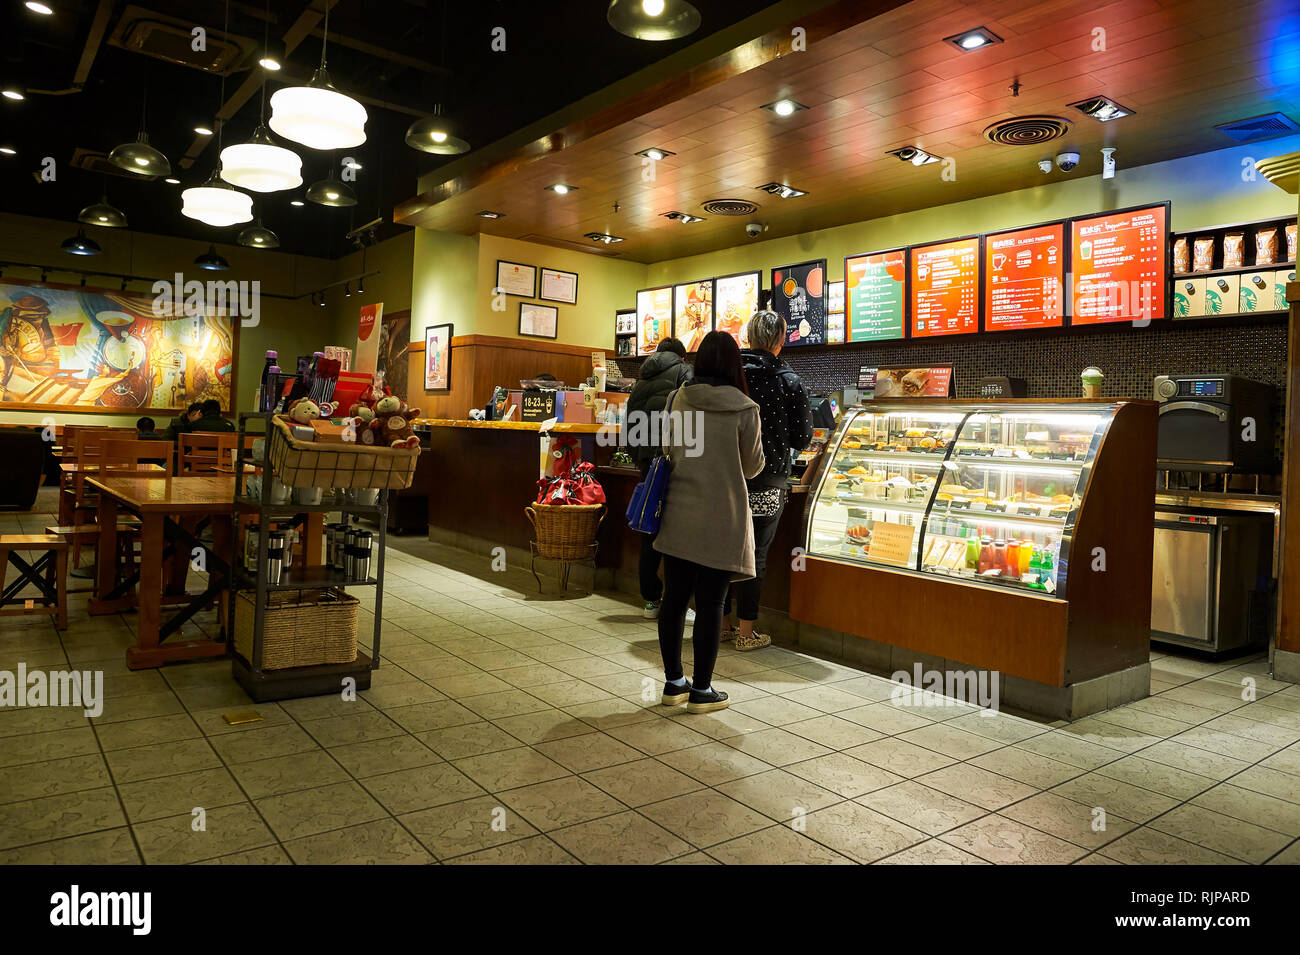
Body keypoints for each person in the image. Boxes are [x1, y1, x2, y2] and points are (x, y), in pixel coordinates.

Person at [653, 331, 764, 714]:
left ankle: (673, 683)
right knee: (712, 603)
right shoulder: (746, 408)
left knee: (674, 600)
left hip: (680, 512)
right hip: (724, 516)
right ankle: (702, 691)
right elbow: (752, 467)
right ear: (735, 364)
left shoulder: (678, 399)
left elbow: (668, 449)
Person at [725, 310, 814, 651]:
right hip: (768, 477)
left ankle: (723, 624)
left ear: (748, 337)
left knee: (724, 549)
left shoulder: (731, 375)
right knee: (755, 554)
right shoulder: (788, 380)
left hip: (728, 474)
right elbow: (804, 439)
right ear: (780, 340)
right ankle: (747, 632)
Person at [625, 336, 692, 619]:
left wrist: (639, 456)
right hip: (674, 461)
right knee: (678, 530)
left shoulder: (640, 380)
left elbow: (629, 425)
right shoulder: (684, 373)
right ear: (681, 356)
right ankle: (680, 603)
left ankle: (651, 600)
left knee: (650, 525)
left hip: (647, 461)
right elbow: (689, 418)